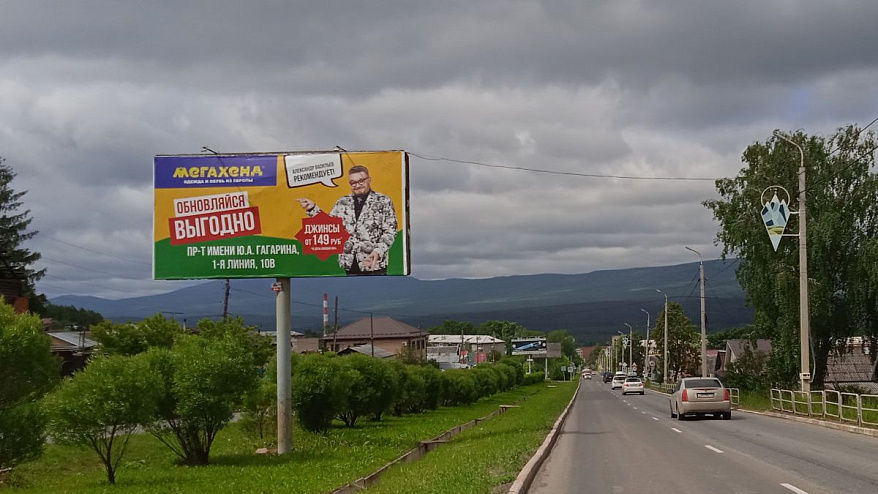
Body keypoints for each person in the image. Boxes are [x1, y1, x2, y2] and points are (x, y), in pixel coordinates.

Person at [296, 165, 397, 275]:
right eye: (353, 183)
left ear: (369, 180)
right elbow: (329, 226)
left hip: (374, 265)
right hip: (349, 265)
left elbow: (390, 231)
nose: (357, 185)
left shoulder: (383, 201)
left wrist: (378, 251)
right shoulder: (342, 202)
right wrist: (312, 208)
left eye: (361, 181)